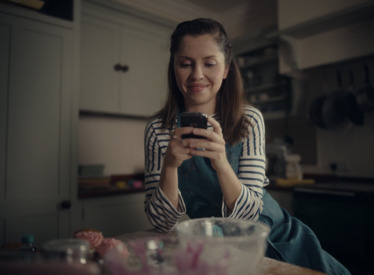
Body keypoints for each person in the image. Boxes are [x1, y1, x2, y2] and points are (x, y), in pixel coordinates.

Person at [144, 18, 351, 275]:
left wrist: (221, 163)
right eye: (186, 64)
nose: (197, 74)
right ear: (173, 68)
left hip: (279, 236)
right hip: (220, 248)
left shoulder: (249, 120)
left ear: (226, 69)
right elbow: (161, 223)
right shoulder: (158, 130)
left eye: (209, 63)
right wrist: (170, 166)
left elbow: (250, 214)